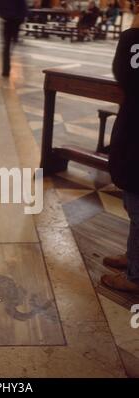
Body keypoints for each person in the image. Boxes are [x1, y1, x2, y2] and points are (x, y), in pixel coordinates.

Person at [101, 1, 139, 294]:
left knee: (137, 204)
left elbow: (124, 74)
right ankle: (133, 257)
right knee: (133, 202)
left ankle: (135, 275)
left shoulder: (134, 40)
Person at [0, 0, 28, 77]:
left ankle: (6, 68)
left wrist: (3, 14)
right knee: (9, 45)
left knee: (6, 46)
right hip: (14, 21)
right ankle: (6, 67)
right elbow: (24, 7)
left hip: (9, 21)